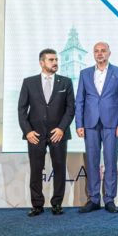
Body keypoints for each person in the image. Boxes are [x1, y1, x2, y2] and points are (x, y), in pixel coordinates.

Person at [18, 48, 75, 217]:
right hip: (35, 135)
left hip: (58, 133)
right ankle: (37, 205)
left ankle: (57, 204)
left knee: (59, 169)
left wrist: (61, 128)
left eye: (56, 59)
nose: (55, 62)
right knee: (36, 170)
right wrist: (28, 132)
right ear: (41, 62)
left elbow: (71, 109)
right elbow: (21, 109)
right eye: (51, 60)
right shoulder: (29, 82)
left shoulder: (66, 82)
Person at [75, 42, 118, 214]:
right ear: (93, 54)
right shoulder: (84, 73)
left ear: (109, 53)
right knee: (92, 161)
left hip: (112, 124)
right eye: (96, 51)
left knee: (110, 160)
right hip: (90, 123)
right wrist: (79, 124)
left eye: (103, 51)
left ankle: (109, 199)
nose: (99, 54)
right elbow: (79, 100)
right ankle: (93, 199)